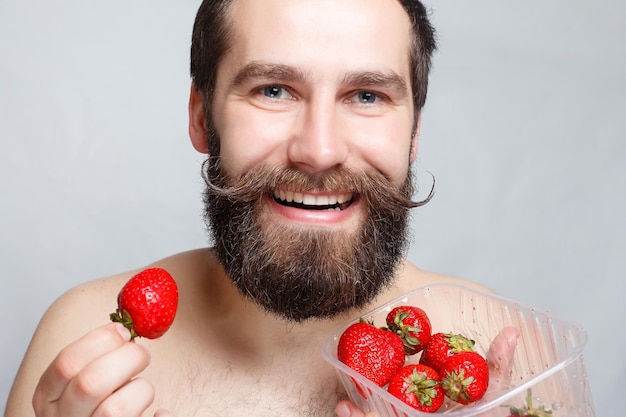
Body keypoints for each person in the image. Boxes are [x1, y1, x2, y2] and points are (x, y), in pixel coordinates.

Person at [5, 1, 518, 416]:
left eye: (366, 96)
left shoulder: (500, 355)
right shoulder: (81, 346)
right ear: (203, 119)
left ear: (413, 135)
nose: (319, 151)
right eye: (273, 90)